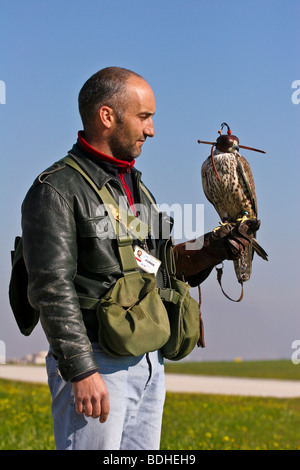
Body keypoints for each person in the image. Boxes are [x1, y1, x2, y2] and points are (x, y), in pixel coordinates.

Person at [21, 66, 258, 450]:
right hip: (98, 364)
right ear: (107, 116)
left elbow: (158, 265)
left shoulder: (135, 188)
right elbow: (50, 287)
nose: (151, 130)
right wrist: (81, 370)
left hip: (148, 362)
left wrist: (212, 247)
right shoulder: (57, 190)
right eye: (144, 117)